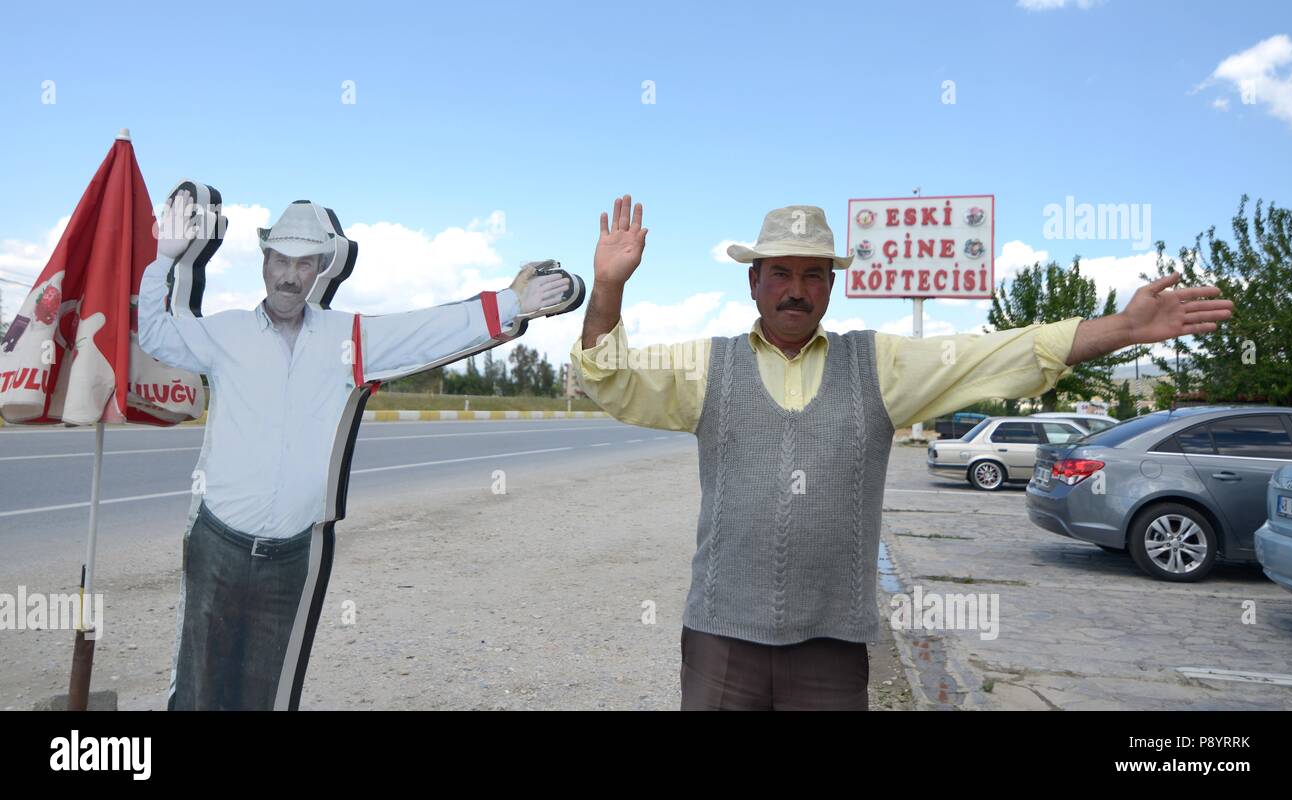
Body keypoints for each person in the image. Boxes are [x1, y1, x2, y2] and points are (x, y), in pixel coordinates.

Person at [570, 195, 1234, 710]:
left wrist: (1121, 328)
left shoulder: (879, 364)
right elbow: (610, 377)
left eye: (812, 273)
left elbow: (995, 355)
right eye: (780, 273)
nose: (795, 288)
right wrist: (609, 288)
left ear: (831, 285)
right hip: (721, 638)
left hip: (830, 648)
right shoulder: (707, 369)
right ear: (754, 283)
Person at [140, 190, 575, 709]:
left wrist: (511, 303)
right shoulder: (226, 333)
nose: (288, 275)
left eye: (304, 264)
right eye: (280, 259)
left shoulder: (346, 339)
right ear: (264, 262)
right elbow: (156, 335)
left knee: (264, 696)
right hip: (218, 548)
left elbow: (425, 331)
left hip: (290, 559)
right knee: (197, 693)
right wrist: (162, 259)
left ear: (320, 268)